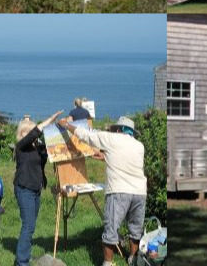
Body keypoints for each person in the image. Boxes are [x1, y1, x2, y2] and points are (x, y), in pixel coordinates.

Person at [62, 115, 147, 266]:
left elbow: (87, 135)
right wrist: (105, 156)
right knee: (135, 229)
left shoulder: (111, 139)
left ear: (119, 130)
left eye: (115, 130)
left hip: (119, 191)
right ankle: (133, 259)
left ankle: (107, 263)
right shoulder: (139, 146)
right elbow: (124, 160)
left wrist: (67, 125)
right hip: (140, 192)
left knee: (110, 230)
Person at [13, 111, 62, 266]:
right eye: (29, 131)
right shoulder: (20, 147)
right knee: (28, 226)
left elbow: (45, 156)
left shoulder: (36, 147)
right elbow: (35, 133)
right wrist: (48, 120)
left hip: (36, 189)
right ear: (22, 133)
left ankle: (25, 256)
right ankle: (22, 262)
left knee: (31, 226)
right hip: (24, 188)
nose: (33, 135)